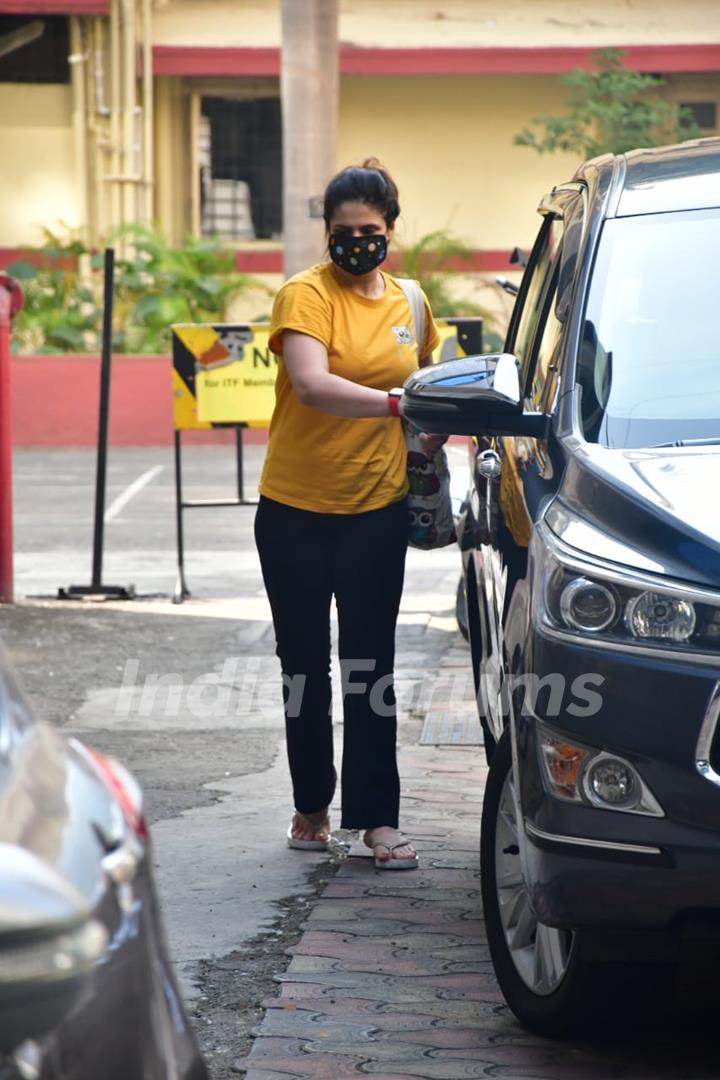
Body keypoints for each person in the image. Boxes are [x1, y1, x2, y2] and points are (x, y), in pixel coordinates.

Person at [254, 159, 441, 869]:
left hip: (376, 508)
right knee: (303, 662)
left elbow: (426, 382)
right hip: (295, 509)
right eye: (342, 231)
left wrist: (431, 428)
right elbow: (310, 384)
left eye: (369, 230)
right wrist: (400, 406)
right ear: (326, 233)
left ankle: (377, 821)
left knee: (371, 663)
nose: (355, 242)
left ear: (391, 230)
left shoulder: (411, 302)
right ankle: (310, 804)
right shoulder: (305, 295)